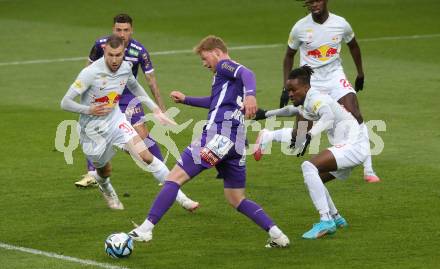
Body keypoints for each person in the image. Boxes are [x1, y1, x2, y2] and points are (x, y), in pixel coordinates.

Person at [127, 36, 290, 248]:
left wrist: (251, 95)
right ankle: (278, 236)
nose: (204, 64)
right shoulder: (224, 79)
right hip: (236, 143)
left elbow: (247, 73)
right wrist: (186, 99)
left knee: (174, 178)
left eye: (205, 58)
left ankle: (146, 228)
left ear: (216, 52)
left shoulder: (224, 65)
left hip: (217, 136)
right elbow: (214, 102)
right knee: (236, 198)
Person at [61, 35, 199, 211]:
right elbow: (65, 102)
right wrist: (89, 110)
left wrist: (155, 109)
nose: (114, 59)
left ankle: (183, 199)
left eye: (118, 55)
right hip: (92, 131)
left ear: (123, 52)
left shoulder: (125, 68)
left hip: (116, 122)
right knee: (104, 171)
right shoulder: (90, 73)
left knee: (146, 157)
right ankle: (105, 186)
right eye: (110, 55)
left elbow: (135, 86)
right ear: (104, 51)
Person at [255, 0, 380, 183]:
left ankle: (369, 170)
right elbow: (289, 55)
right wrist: (286, 87)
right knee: (299, 138)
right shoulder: (300, 28)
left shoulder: (341, 24)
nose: (314, 4)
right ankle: (268, 135)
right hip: (310, 84)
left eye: (317, 0)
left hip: (335, 77)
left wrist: (360, 73)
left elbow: (353, 46)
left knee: (355, 115)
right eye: (310, 2)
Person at [75, 13, 166, 188]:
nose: (122, 34)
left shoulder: (139, 51)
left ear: (132, 30)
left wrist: (159, 106)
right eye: (118, 30)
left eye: (126, 30)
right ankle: (92, 174)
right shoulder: (100, 45)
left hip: (127, 97)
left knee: (142, 135)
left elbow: (151, 80)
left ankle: (162, 169)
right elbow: (87, 68)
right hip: (103, 96)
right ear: (113, 29)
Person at [285, 66, 369, 239]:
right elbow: (293, 113)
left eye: (293, 90)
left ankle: (326, 220)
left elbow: (327, 117)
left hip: (353, 145)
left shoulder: (316, 98)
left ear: (305, 87)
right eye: (288, 91)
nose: (290, 94)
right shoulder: (310, 101)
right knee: (314, 179)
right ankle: (336, 217)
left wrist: (310, 134)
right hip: (349, 145)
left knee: (308, 166)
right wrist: (266, 115)